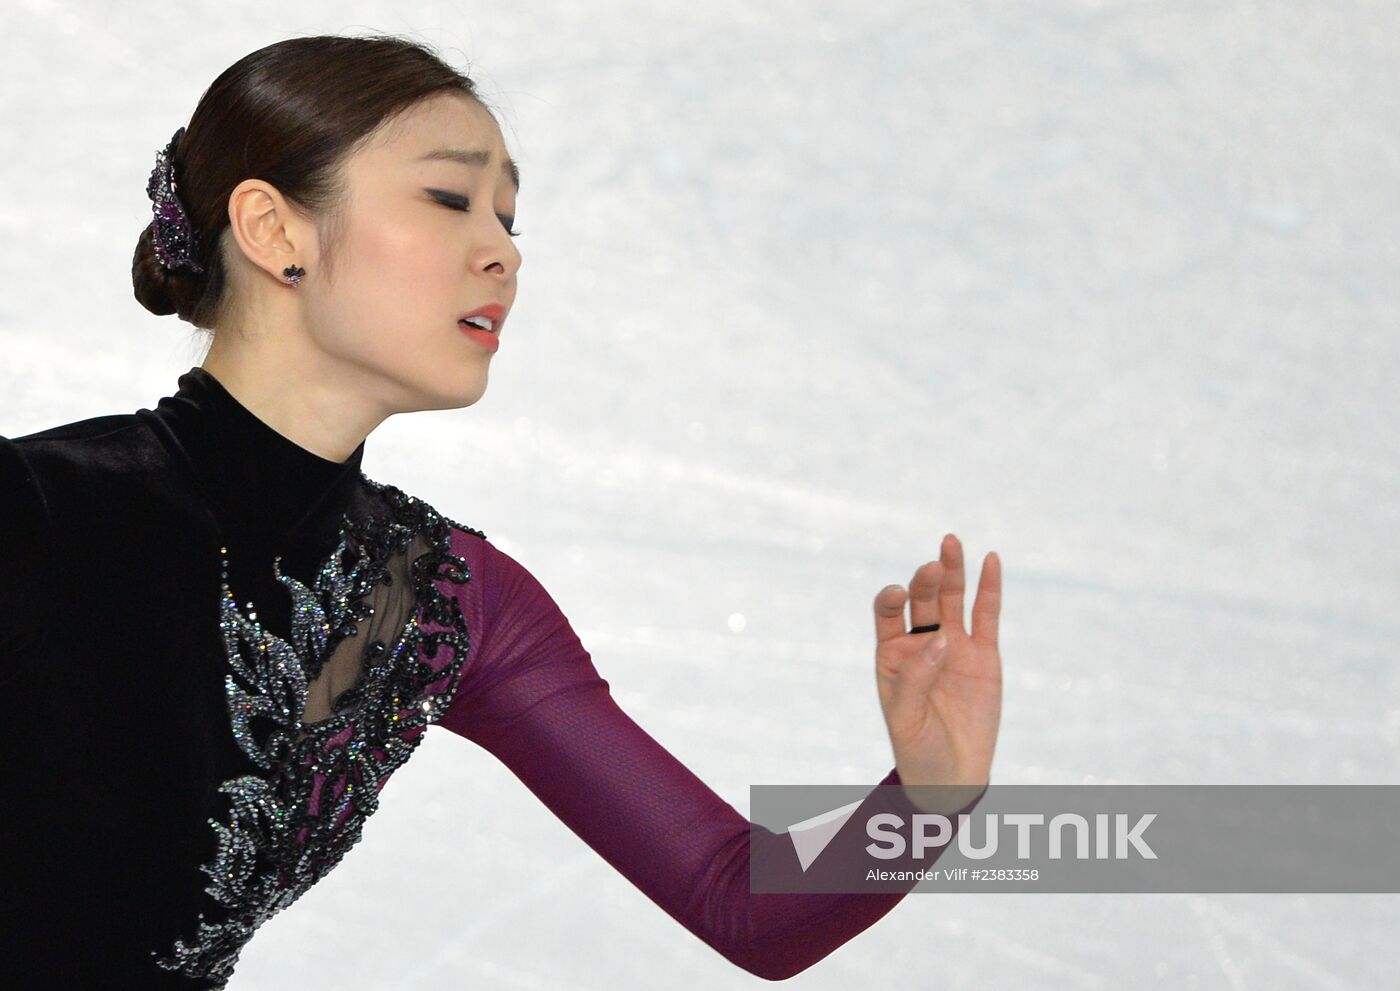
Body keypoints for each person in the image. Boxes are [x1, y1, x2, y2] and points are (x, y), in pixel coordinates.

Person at [0, 33, 1003, 989]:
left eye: (507, 219)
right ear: (274, 230)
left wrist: (923, 800)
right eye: (449, 199)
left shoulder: (443, 602)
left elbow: (741, 898)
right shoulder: (40, 510)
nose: (501, 254)